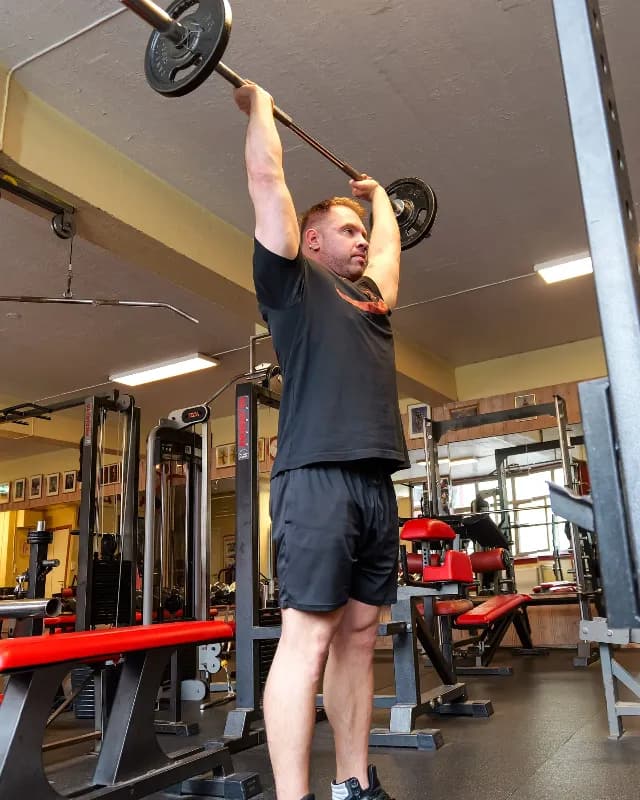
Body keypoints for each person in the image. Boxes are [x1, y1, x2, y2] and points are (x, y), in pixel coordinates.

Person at [234, 82, 409, 800]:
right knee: (307, 640)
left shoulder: (370, 301)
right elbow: (268, 180)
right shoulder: (291, 283)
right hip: (315, 479)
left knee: (361, 639)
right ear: (312, 240)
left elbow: (392, 258)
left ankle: (350, 784)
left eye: (361, 233)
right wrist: (262, 109)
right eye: (348, 230)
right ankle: (292, 796)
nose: (361, 240)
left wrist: (382, 205)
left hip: (373, 484)